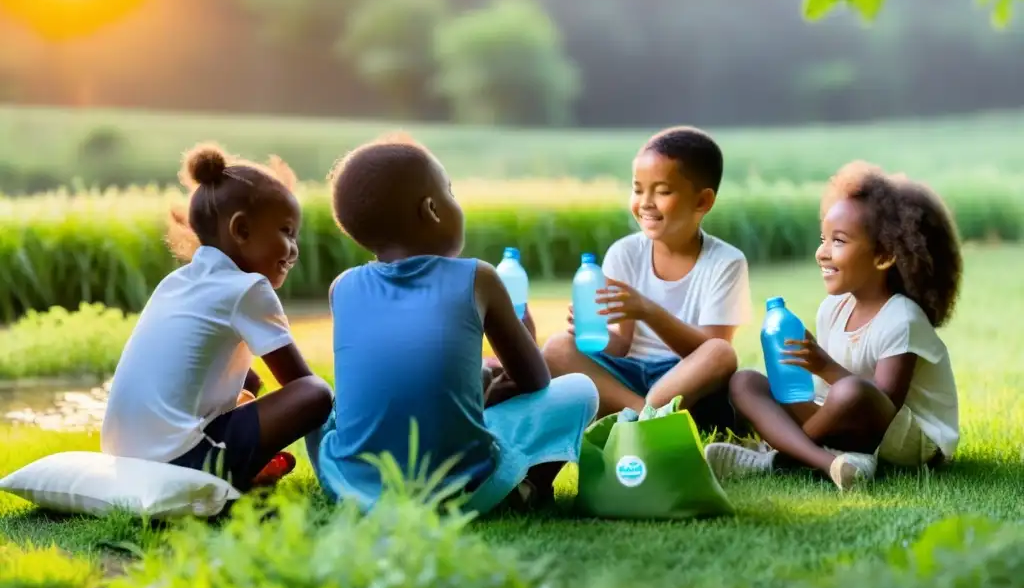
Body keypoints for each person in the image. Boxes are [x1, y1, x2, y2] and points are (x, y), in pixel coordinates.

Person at [307, 134, 599, 513]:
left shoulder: (342, 288)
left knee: (322, 404)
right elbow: (536, 381)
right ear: (431, 209)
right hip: (462, 488)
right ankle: (525, 488)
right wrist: (525, 338)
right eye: (451, 193)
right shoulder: (479, 278)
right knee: (581, 390)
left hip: (354, 486)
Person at [705, 161, 962, 491]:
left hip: (910, 441)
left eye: (838, 241)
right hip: (848, 424)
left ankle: (778, 458)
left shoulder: (903, 319)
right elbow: (825, 399)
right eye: (822, 239)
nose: (822, 253)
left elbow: (883, 404)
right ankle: (830, 461)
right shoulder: (833, 310)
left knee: (851, 392)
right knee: (745, 383)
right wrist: (796, 381)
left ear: (883, 255)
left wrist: (824, 365)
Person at [101, 144, 333, 491]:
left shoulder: (177, 281)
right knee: (315, 392)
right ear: (241, 230)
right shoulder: (248, 287)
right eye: (286, 231)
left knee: (247, 381)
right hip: (179, 459)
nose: (294, 248)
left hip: (126, 453)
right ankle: (232, 470)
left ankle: (242, 466)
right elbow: (297, 381)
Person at [543, 126, 750, 429]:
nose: (646, 202)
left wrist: (648, 311)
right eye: (638, 189)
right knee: (556, 347)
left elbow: (710, 352)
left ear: (702, 201)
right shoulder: (624, 253)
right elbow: (621, 347)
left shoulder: (726, 262)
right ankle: (647, 418)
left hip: (685, 381)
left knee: (721, 352)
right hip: (628, 377)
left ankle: (638, 418)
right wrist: (591, 333)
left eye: (663, 191)